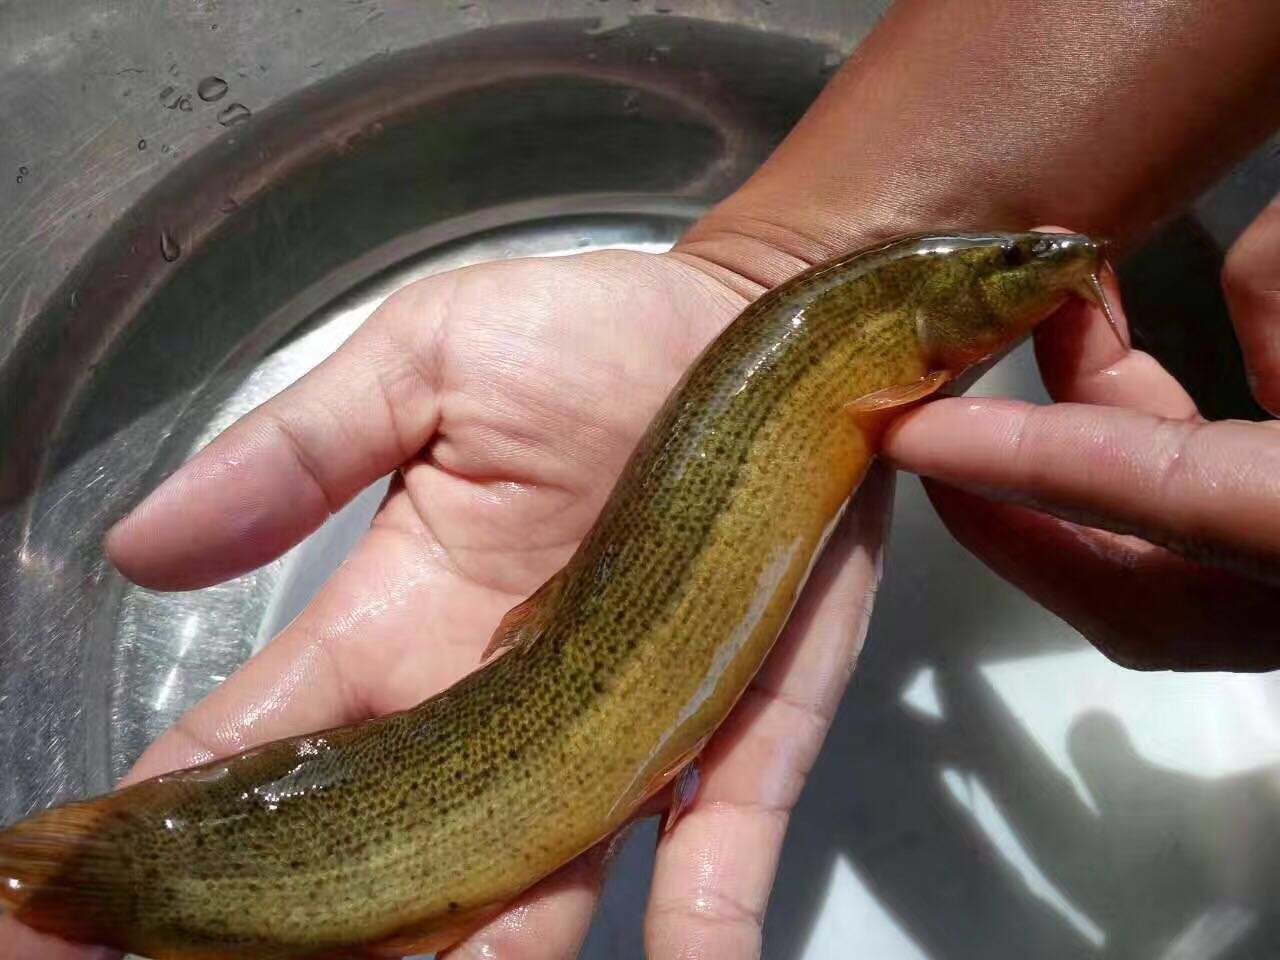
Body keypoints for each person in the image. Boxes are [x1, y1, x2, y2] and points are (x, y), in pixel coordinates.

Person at [6, 1, 1280, 957]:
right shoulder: (873, 323)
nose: (1051, 260)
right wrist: (774, 260)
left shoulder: (888, 334)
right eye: (1007, 263)